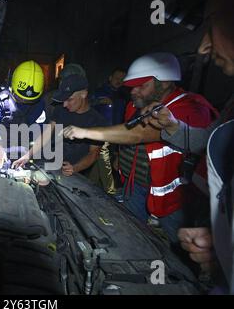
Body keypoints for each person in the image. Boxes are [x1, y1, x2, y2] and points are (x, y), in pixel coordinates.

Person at [61, 52, 218, 247]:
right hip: (134, 187)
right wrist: (120, 156)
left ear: (166, 82)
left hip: (174, 200)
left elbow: (138, 134)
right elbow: (126, 136)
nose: (134, 91)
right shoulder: (135, 105)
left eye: (142, 86)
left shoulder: (190, 107)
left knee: (181, 251)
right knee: (128, 238)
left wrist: (84, 132)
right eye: (132, 86)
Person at [139, 0, 234, 293]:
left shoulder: (193, 103)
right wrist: (225, 247)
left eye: (211, 24)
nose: (203, 46)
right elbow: (207, 142)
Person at [12, 74, 107, 178]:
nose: (65, 104)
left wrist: (75, 168)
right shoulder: (60, 109)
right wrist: (27, 155)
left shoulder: (97, 121)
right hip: (48, 165)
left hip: (74, 174)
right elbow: (47, 134)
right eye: (63, 100)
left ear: (83, 94)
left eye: (69, 99)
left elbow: (94, 153)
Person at [0, 60, 46, 169]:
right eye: (19, 98)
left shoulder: (40, 104)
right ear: (12, 87)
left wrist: (29, 155)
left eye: (28, 101)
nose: (23, 102)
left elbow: (41, 134)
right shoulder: (0, 97)